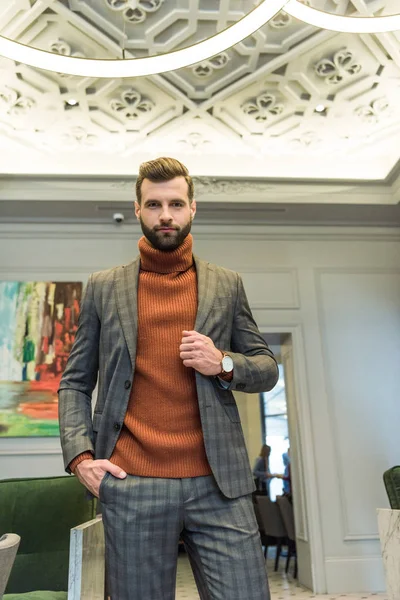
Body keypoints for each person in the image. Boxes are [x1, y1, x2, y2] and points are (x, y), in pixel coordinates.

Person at [58, 157, 279, 600]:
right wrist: (80, 457)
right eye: (154, 204)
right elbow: (75, 382)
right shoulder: (104, 287)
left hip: (222, 485)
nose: (165, 215)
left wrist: (224, 363)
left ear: (193, 208)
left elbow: (267, 367)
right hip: (132, 482)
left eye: (176, 203)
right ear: (137, 209)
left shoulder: (226, 284)